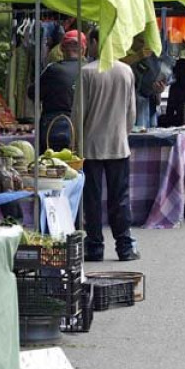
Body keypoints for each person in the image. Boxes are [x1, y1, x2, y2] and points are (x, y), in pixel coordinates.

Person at [73, 28, 140, 261]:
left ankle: (95, 247)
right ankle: (124, 247)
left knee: (92, 198)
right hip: (118, 143)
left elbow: (78, 113)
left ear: (94, 42)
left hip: (90, 145)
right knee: (120, 198)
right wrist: (124, 132)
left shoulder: (86, 72)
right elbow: (131, 112)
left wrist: (75, 143)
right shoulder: (126, 71)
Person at [27, 30, 86, 153]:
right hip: (82, 127)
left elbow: (33, 93)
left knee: (49, 166)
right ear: (83, 50)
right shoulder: (91, 70)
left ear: (62, 49)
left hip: (52, 126)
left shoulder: (52, 69)